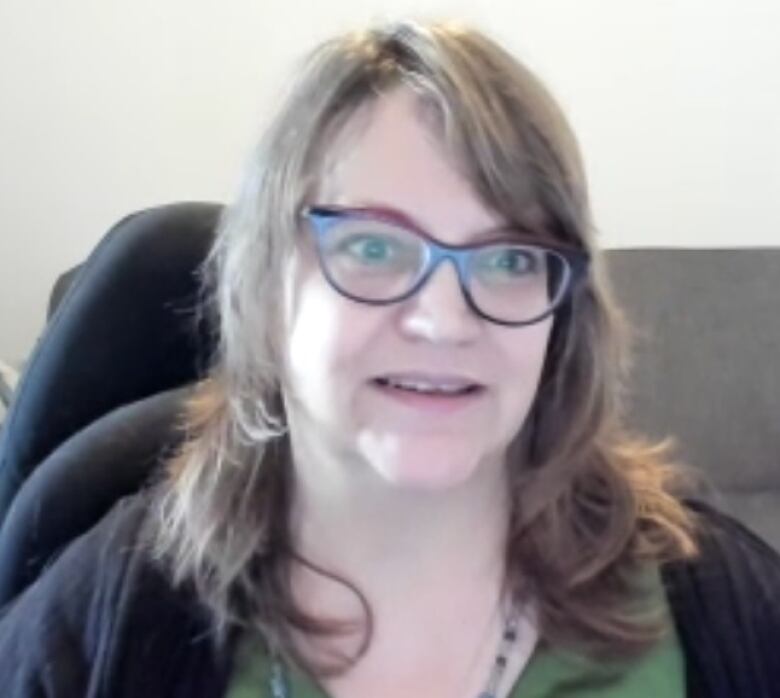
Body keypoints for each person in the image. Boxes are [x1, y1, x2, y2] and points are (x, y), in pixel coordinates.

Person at [0, 19, 779, 698]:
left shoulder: (721, 607)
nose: (444, 321)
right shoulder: (108, 621)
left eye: (508, 259)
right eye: (373, 246)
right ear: (269, 286)